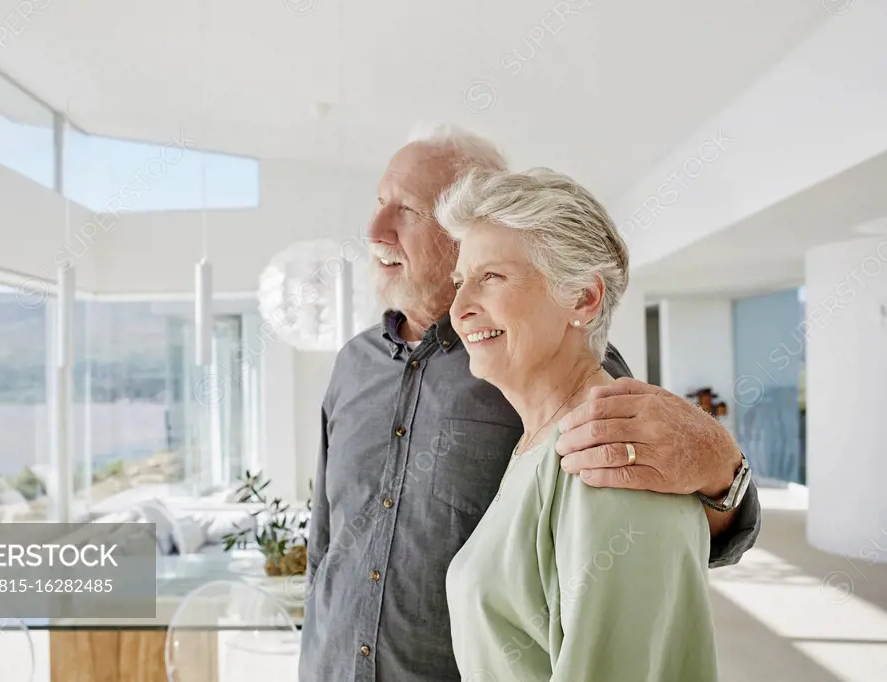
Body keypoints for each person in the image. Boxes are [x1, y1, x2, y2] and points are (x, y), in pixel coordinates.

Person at [299, 125, 758, 682]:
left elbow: (654, 505)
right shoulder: (354, 364)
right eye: (378, 203)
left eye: (409, 210)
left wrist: (723, 471)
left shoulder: (564, 376)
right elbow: (324, 541)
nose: (374, 230)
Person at [440, 166, 718, 681]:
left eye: (491, 277)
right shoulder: (541, 441)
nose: (458, 309)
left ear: (583, 300)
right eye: (460, 282)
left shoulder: (612, 454)